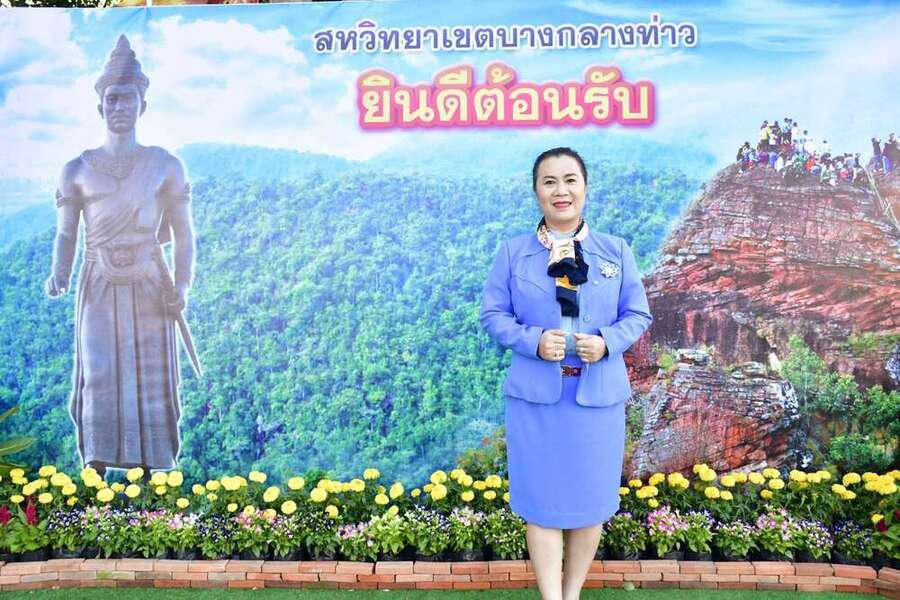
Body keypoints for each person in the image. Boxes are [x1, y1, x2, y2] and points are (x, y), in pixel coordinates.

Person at [480, 147, 652, 600]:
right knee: (542, 504)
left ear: (585, 187)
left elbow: (638, 314)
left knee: (590, 504)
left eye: (570, 179)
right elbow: (493, 315)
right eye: (550, 181)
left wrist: (608, 341)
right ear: (536, 191)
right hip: (537, 400)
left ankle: (571, 593)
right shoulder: (513, 253)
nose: (561, 190)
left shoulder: (616, 251)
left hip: (597, 399)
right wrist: (533, 340)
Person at [45, 35, 200, 480]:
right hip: (97, 279)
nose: (119, 107)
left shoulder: (165, 165)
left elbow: (184, 234)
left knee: (150, 376)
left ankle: (151, 472)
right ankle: (94, 470)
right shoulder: (76, 169)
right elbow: (67, 233)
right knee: (98, 371)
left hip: (151, 282)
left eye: (127, 98)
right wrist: (59, 274)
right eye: (111, 99)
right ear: (100, 106)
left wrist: (182, 286)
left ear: (142, 105)